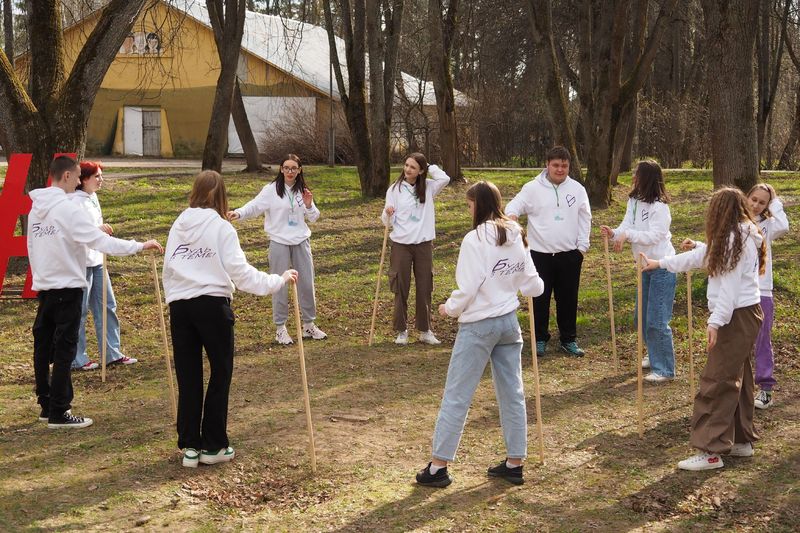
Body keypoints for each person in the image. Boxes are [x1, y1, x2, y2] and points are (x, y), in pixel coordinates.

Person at [163, 170, 298, 468]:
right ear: (221, 196)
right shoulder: (222, 228)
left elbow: (168, 269)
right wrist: (277, 280)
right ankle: (212, 445)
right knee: (220, 372)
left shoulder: (178, 224)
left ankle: (190, 447)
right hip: (211, 305)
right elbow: (242, 273)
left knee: (188, 376)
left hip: (181, 307)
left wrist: (173, 298)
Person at [416, 181, 544, 488]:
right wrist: (513, 286)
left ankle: (438, 467)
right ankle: (515, 462)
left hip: (479, 326)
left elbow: (469, 287)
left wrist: (450, 308)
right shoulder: (516, 234)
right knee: (512, 392)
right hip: (508, 323)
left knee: (457, 393)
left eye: (470, 204)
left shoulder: (474, 239)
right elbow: (534, 285)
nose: (468, 210)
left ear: (480, 205)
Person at [28, 156, 162, 429]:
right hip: (67, 285)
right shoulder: (67, 209)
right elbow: (99, 241)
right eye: (77, 176)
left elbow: (34, 247)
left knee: (44, 346)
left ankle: (46, 403)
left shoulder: (36, 208)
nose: (79, 182)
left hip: (46, 287)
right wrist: (138, 246)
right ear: (66, 176)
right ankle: (59, 411)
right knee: (64, 348)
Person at [642, 187, 765, 471]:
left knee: (717, 379)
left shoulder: (737, 238)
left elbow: (731, 287)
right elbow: (701, 257)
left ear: (720, 212)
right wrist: (659, 263)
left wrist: (715, 322)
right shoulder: (736, 234)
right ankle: (740, 441)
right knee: (739, 377)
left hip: (736, 315)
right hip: (742, 314)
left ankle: (711, 450)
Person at [228, 154, 325, 345]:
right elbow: (254, 206)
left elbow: (314, 217)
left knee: (306, 282)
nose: (290, 172)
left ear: (299, 170)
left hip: (301, 241)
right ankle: (280, 328)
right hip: (279, 241)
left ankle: (308, 324)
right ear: (281, 169)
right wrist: (238, 213)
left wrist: (308, 204)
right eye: (286, 168)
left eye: (294, 168)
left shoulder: (302, 191)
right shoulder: (271, 190)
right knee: (279, 283)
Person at [505, 146, 591, 357]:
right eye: (556, 165)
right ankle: (539, 338)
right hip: (539, 255)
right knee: (539, 298)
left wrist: (581, 248)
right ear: (547, 165)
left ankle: (568, 339)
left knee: (568, 299)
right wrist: (512, 217)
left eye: (564, 165)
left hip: (570, 254)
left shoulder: (577, 189)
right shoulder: (532, 188)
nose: (560, 169)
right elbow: (513, 206)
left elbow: (585, 217)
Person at [600, 160, 676, 383]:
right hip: (643, 266)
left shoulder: (660, 207)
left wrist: (629, 235)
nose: (634, 178)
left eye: (637, 175)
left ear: (649, 179)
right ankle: (654, 355)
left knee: (657, 319)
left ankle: (664, 369)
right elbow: (627, 224)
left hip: (662, 265)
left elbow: (656, 235)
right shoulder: (633, 200)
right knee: (641, 317)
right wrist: (615, 233)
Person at [70, 161, 137, 371]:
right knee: (79, 311)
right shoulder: (73, 201)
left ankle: (111, 353)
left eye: (101, 176)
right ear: (84, 180)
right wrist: (98, 229)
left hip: (98, 261)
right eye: (97, 176)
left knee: (107, 306)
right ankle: (78, 358)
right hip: (81, 263)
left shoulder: (93, 198)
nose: (101, 180)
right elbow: (77, 232)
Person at [381, 153, 451, 345]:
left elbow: (445, 178)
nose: (407, 169)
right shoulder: (394, 190)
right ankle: (401, 331)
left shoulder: (428, 187)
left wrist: (428, 164)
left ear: (420, 171)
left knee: (424, 286)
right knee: (400, 286)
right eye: (406, 165)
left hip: (423, 244)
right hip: (401, 245)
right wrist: (388, 214)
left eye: (413, 167)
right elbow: (386, 221)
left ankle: (424, 330)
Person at [746, 183, 789, 409]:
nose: (756, 205)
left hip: (762, 290)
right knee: (739, 341)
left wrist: (774, 201)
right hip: (740, 292)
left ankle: (765, 389)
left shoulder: (769, 225)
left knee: (762, 340)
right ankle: (739, 388)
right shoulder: (739, 222)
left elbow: (784, 226)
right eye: (754, 199)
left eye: (762, 202)